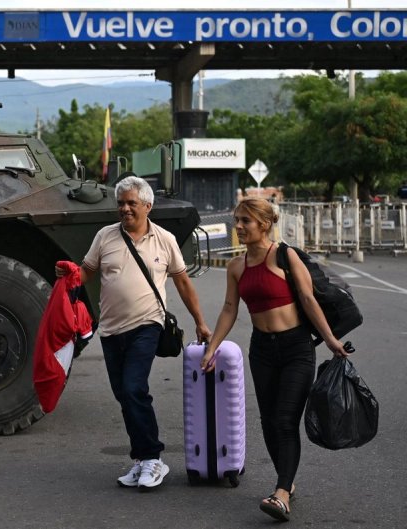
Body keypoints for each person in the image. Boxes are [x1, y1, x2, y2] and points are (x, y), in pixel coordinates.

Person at [56, 176, 211, 490]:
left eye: (132, 203)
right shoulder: (105, 236)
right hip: (111, 329)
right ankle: (141, 459)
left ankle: (153, 458)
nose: (125, 209)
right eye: (121, 204)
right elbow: (87, 272)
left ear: (147, 206)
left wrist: (200, 322)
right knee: (124, 395)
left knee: (133, 388)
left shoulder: (164, 239)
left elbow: (183, 282)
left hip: (147, 325)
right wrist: (70, 274)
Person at [200, 197, 348, 522]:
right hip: (262, 351)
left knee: (284, 419)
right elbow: (229, 308)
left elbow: (307, 298)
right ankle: (286, 480)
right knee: (268, 420)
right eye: (237, 220)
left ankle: (281, 494)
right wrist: (212, 347)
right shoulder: (236, 266)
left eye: (246, 221)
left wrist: (330, 339)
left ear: (264, 224)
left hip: (296, 348)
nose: (239, 226)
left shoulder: (284, 255)